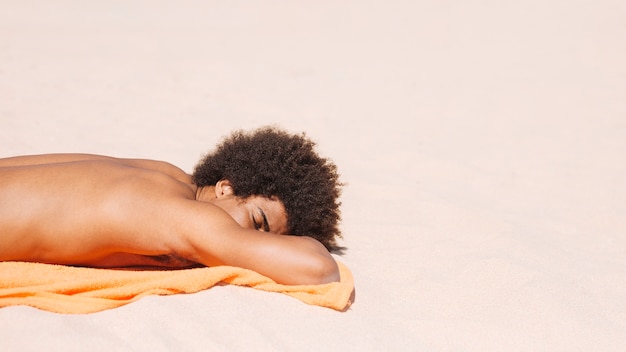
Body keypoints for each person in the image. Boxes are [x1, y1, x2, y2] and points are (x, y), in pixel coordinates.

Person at [0, 127, 344, 285]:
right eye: (258, 222)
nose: (251, 240)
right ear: (226, 187)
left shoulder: (165, 174)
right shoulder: (187, 217)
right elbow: (318, 269)